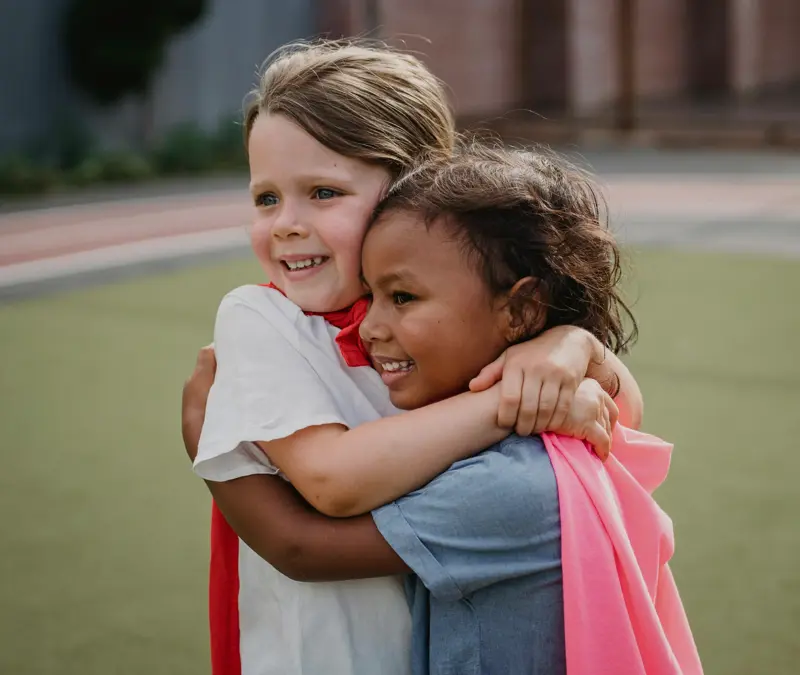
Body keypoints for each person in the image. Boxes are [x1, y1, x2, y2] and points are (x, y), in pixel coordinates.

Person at [184, 39, 642, 675]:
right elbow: (332, 482)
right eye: (266, 198)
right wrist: (503, 404)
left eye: (322, 192)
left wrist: (571, 346)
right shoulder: (260, 319)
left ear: (413, 189)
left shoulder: (445, 315)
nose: (285, 223)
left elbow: (620, 417)